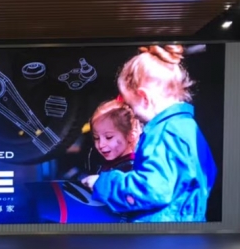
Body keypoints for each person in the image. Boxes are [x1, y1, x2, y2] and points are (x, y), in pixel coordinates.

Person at [81, 45, 217, 222]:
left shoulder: (164, 133)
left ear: (144, 97)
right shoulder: (189, 128)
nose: (133, 113)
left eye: (131, 105)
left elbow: (151, 189)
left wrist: (103, 184)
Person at [89, 99, 138, 174]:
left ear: (131, 136)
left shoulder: (131, 169)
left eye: (109, 137)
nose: (101, 145)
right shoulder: (107, 163)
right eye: (96, 138)